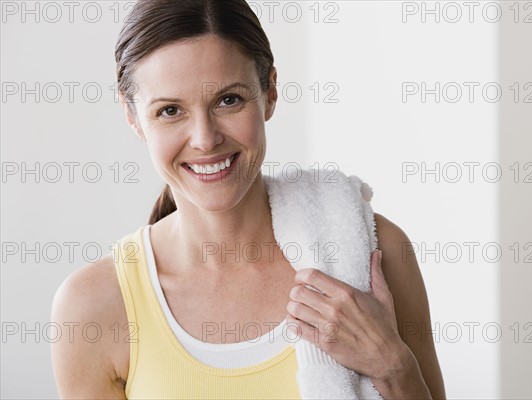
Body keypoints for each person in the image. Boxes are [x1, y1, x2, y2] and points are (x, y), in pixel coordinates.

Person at [51, 0, 445, 398]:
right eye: (170, 110)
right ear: (132, 115)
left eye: (229, 100)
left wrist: (392, 366)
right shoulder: (92, 309)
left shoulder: (378, 254)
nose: (205, 140)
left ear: (270, 91)